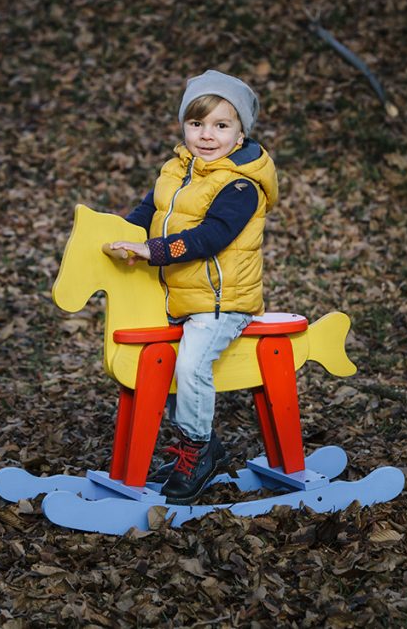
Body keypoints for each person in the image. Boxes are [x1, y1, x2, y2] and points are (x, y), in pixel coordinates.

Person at [107, 70, 278, 505]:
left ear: (240, 135)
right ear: (184, 127)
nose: (207, 135)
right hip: (181, 298)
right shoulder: (175, 170)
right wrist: (116, 234)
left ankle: (198, 451)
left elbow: (212, 237)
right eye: (197, 124)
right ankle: (201, 443)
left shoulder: (241, 185)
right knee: (157, 368)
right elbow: (146, 211)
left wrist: (154, 250)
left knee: (191, 365)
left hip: (223, 303)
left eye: (221, 125)